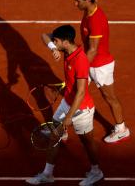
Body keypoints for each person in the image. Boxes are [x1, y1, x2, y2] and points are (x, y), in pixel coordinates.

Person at [26, 25, 103, 185]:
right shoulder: (67, 49)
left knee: (87, 142)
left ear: (66, 42)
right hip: (67, 102)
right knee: (55, 134)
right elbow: (44, 35)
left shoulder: (80, 60)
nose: (54, 42)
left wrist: (69, 118)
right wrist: (53, 48)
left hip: (82, 109)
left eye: (56, 41)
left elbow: (81, 92)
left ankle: (96, 172)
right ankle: (47, 174)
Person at [72, 0, 130, 143]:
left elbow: (93, 49)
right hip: (90, 62)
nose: (75, 3)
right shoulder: (89, 9)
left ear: (86, 0)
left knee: (109, 97)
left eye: (77, 1)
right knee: (74, 91)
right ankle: (62, 127)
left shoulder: (96, 20)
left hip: (100, 67)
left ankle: (121, 129)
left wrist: (80, 68)